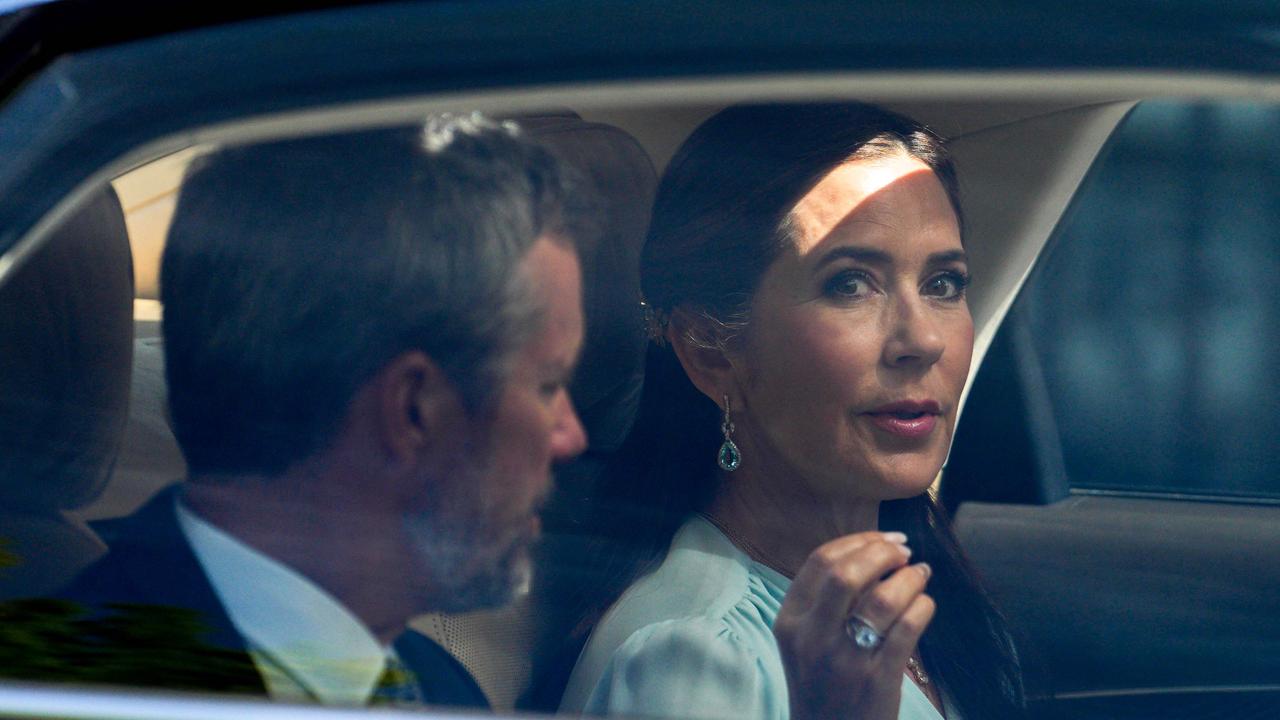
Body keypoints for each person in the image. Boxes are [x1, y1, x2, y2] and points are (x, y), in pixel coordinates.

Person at [4, 114, 589, 706]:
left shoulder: (440, 687)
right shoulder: (61, 695)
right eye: (548, 386)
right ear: (416, 409)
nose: (571, 435)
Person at [559, 104, 1024, 720]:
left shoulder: (928, 603)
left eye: (943, 283)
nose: (923, 340)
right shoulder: (694, 658)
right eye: (850, 284)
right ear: (709, 350)